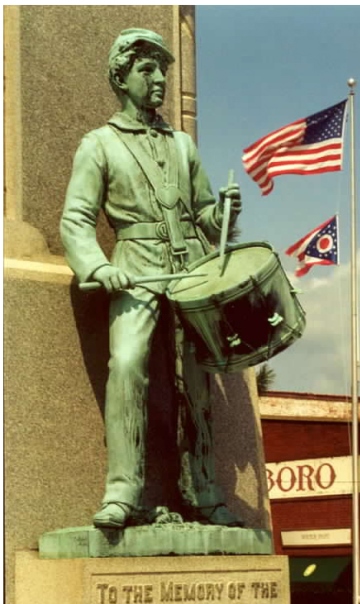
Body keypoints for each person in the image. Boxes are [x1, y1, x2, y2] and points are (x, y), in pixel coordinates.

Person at [60, 28, 243, 530]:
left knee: (199, 378)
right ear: (122, 78)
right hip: (134, 272)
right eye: (148, 70)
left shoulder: (183, 145)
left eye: (163, 69)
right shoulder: (99, 144)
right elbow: (75, 218)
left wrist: (224, 214)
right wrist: (98, 267)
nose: (160, 78)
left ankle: (206, 490)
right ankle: (122, 491)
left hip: (189, 275)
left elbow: (206, 215)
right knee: (127, 365)